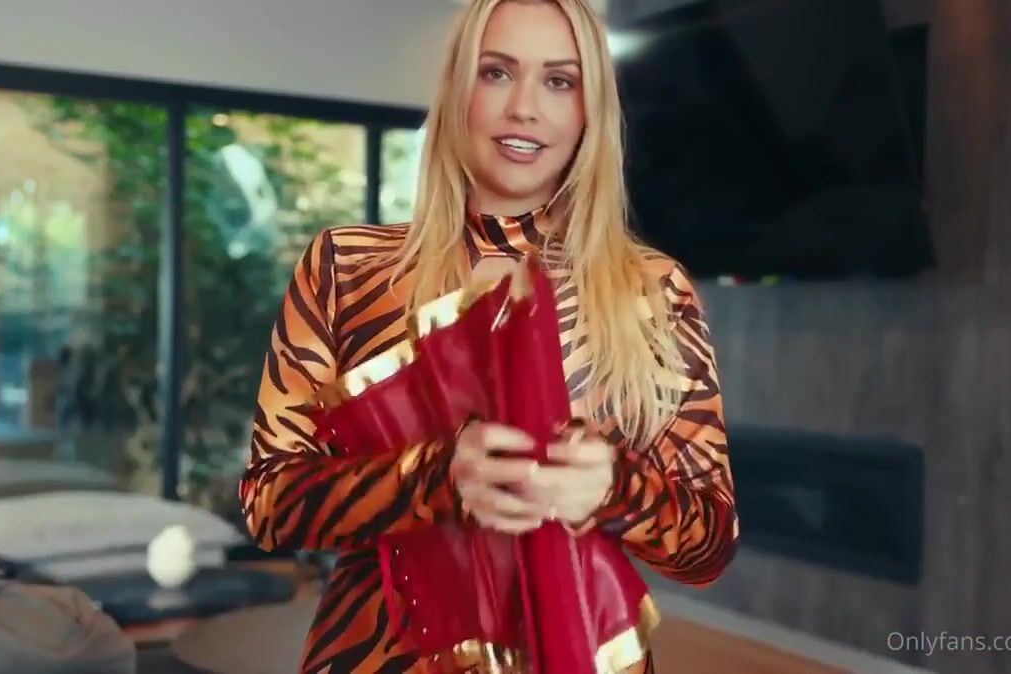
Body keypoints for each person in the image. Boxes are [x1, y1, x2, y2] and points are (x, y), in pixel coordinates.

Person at [238, 0, 738, 672]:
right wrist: (435, 477)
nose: (524, 108)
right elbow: (271, 505)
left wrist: (616, 490)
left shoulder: (653, 289)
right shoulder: (346, 268)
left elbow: (710, 547)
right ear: (458, 90)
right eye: (497, 72)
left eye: (559, 81)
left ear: (590, 109)